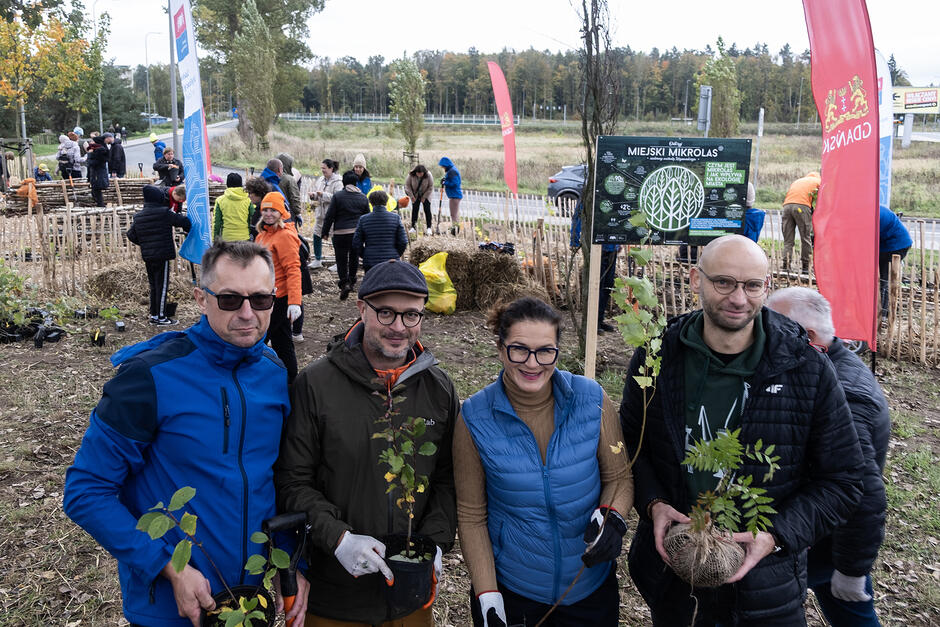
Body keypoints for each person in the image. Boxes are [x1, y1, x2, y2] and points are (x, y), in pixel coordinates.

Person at [620, 234, 864, 626]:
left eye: (752, 285)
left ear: (766, 287)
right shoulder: (658, 354)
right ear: (695, 279)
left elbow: (844, 480)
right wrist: (652, 503)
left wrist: (775, 536)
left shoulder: (805, 368)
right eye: (724, 282)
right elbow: (631, 443)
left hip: (766, 589)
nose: (738, 298)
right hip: (673, 571)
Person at [64, 240, 309, 627]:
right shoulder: (149, 377)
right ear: (200, 298)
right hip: (170, 608)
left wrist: (290, 561)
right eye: (230, 300)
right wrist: (168, 567)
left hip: (249, 601)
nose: (248, 314)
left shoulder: (274, 372)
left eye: (261, 300)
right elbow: (86, 490)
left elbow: (275, 477)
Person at [275, 259, 459, 626]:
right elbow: (293, 481)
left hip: (410, 601)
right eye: (386, 313)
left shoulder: (438, 390)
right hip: (336, 597)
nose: (399, 327)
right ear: (361, 309)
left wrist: (434, 542)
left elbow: (447, 477)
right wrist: (339, 538)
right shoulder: (316, 385)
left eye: (411, 315)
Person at [457, 297, 633, 627]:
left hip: (589, 591)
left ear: (557, 351)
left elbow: (620, 477)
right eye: (519, 349)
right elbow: (470, 515)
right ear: (500, 349)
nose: (533, 363)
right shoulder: (474, 418)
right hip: (517, 594)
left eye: (545, 351)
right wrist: (487, 595)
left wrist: (613, 516)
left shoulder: (592, 400)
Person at [767, 287, 890, 627]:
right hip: (820, 535)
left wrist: (852, 569)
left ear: (806, 336)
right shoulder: (823, 362)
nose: (760, 335)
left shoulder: (845, 396)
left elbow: (863, 489)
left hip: (820, 538)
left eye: (769, 327)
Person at [254, 192, 302, 384]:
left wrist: (295, 302)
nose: (268, 214)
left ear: (281, 212)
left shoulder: (285, 236)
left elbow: (293, 269)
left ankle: (250, 375)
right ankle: (292, 380)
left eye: (273, 210)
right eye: (265, 209)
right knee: (282, 342)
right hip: (264, 295)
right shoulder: (262, 235)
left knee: (258, 339)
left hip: (278, 299)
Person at [126, 185, 190, 325]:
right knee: (162, 286)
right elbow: (183, 222)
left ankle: (154, 314)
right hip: (162, 254)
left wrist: (145, 243)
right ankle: (161, 317)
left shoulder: (139, 216)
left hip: (148, 255)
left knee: (154, 285)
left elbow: (131, 235)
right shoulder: (164, 212)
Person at [570, 205, 620, 333]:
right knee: (596, 286)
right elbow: (578, 217)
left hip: (611, 249)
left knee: (607, 285)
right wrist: (575, 241)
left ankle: (599, 320)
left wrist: (618, 243)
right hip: (597, 248)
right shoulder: (590, 191)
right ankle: (592, 322)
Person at [322, 170, 369, 301]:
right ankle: (352, 281)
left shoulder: (338, 196)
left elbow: (330, 216)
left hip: (340, 233)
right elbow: (366, 217)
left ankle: (344, 283)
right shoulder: (363, 197)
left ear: (344, 182)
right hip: (356, 233)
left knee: (341, 259)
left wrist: (325, 232)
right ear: (356, 183)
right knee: (354, 257)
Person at [353, 190, 408, 272]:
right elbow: (403, 241)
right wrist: (396, 254)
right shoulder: (395, 218)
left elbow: (356, 242)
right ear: (386, 202)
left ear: (370, 203)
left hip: (370, 260)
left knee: (372, 283)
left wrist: (365, 255)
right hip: (391, 260)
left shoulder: (364, 219)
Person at [782, 171, 820, 273]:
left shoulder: (798, 181)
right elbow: (820, 200)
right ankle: (805, 267)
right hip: (801, 207)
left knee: (788, 240)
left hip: (786, 207)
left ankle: (786, 265)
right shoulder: (818, 181)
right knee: (805, 238)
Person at [878, 205, 912, 318]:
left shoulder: (874, 214)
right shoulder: (873, 209)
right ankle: (881, 309)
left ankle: (883, 312)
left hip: (896, 245)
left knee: (884, 278)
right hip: (888, 244)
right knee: (882, 277)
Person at [309, 158, 342, 269]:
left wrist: (323, 195)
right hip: (320, 213)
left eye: (324, 168)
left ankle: (339, 262)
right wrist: (314, 196)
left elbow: (338, 198)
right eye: (321, 168)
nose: (322, 170)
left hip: (331, 214)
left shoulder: (338, 182)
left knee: (333, 237)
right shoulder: (321, 180)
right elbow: (319, 194)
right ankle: (317, 260)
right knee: (317, 234)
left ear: (331, 168)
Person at [213, 172, 253, 242]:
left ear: (227, 185)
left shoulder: (220, 200)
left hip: (227, 239)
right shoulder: (248, 200)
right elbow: (251, 219)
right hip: (244, 239)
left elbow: (217, 223)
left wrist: (214, 240)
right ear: (241, 185)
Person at [405, 164, 435, 236]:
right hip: (415, 194)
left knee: (427, 210)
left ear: (424, 172)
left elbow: (430, 187)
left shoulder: (428, 175)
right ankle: (413, 227)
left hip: (426, 194)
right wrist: (412, 196)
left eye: (421, 173)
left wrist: (424, 197)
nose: (419, 175)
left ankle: (429, 227)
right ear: (415, 172)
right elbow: (407, 186)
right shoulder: (410, 175)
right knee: (415, 209)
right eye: (418, 173)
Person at [277, 152, 303, 225]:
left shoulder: (267, 177)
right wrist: (298, 213)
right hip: (287, 212)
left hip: (271, 212)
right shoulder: (289, 179)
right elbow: (295, 197)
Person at [438, 157, 462, 235]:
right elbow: (451, 180)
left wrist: (445, 183)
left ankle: (455, 230)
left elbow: (455, 183)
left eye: (443, 166)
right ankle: (455, 228)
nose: (442, 168)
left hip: (454, 195)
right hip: (454, 195)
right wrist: (445, 180)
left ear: (446, 165)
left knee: (453, 214)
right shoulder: (452, 170)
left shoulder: (452, 171)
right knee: (455, 214)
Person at [85, 135, 110, 207]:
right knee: (96, 191)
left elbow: (91, 163)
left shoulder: (99, 152)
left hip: (97, 175)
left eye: (92, 141)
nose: (91, 143)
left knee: (97, 191)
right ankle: (100, 205)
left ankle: (101, 206)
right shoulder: (98, 150)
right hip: (97, 175)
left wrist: (89, 154)